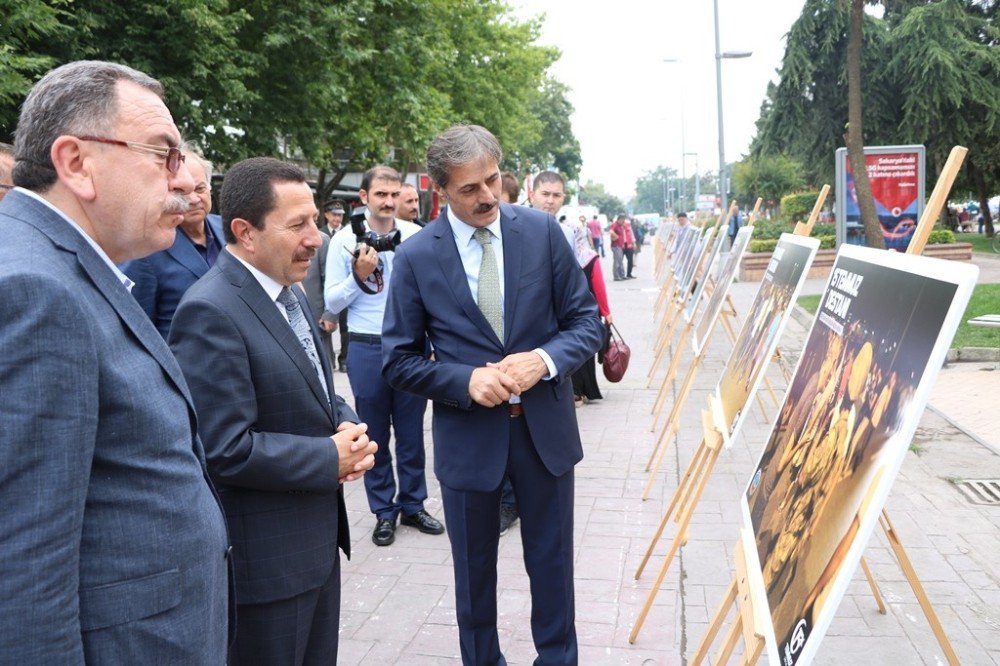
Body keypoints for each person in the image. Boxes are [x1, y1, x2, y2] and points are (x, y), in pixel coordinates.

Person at [0, 59, 229, 662]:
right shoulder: (36, 291)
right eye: (163, 155)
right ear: (76, 163)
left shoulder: (58, 266)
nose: (183, 184)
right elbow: (23, 564)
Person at [382, 124, 604, 665]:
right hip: (468, 440)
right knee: (473, 576)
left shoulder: (542, 233)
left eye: (492, 180)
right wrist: (463, 380)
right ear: (439, 190)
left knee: (552, 566)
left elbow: (586, 322)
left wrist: (544, 360)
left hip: (544, 435)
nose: (486, 197)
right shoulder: (416, 258)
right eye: (468, 189)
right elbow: (398, 359)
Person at [169, 157, 377, 664]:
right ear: (246, 232)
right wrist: (328, 459)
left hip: (316, 552)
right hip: (266, 569)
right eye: (298, 224)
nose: (317, 237)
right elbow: (223, 449)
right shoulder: (211, 311)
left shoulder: (292, 289)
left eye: (315, 219)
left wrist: (345, 421)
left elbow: (313, 387)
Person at [326, 165, 444, 547]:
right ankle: (383, 511)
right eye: (381, 194)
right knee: (373, 431)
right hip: (365, 343)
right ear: (364, 198)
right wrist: (360, 276)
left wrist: (434, 346)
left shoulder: (416, 236)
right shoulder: (344, 239)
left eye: (395, 195)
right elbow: (331, 301)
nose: (389, 202)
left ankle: (413, 503)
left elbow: (434, 296)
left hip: (410, 346)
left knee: (411, 431)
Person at [120, 146, 225, 338]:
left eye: (200, 188)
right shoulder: (146, 247)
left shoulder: (229, 231)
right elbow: (136, 327)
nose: (194, 199)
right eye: (182, 192)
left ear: (210, 189)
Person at [570, 225, 612, 405]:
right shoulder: (590, 257)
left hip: (567, 310)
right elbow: (598, 287)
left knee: (569, 350)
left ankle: (575, 392)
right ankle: (585, 390)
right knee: (585, 351)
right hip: (588, 310)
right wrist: (606, 312)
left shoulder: (562, 254)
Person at [323, 199, 350, 371]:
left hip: (345, 287)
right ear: (326, 215)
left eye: (340, 215)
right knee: (326, 327)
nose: (337, 218)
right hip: (327, 287)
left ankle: (344, 359)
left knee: (345, 327)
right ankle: (329, 358)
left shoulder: (350, 235)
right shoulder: (320, 234)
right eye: (334, 214)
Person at [531, 170, 575, 249]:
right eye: (545, 194)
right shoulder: (516, 230)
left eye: (556, 195)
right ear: (532, 196)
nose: (550, 201)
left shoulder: (567, 235)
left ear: (563, 199)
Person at [609, 214, 627, 280]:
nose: (623, 222)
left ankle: (621, 275)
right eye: (623, 220)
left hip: (619, 246)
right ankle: (616, 276)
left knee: (620, 261)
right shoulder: (615, 225)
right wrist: (616, 236)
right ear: (619, 219)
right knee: (617, 261)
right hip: (616, 246)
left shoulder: (620, 226)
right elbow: (611, 231)